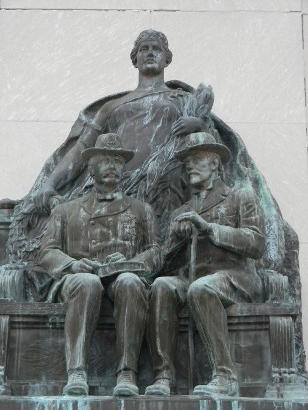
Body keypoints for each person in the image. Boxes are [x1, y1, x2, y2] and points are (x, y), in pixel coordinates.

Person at [37, 133, 161, 396]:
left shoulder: (141, 210)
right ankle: (77, 371)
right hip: (79, 278)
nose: (113, 167)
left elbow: (154, 251)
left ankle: (127, 372)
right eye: (106, 161)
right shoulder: (66, 211)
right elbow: (47, 252)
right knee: (87, 282)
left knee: (130, 282)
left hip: (123, 276)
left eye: (117, 161)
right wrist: (72, 264)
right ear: (91, 168)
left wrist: (132, 263)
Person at [145, 132, 265, 397]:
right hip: (192, 276)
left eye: (196, 159)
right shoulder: (183, 210)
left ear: (215, 163)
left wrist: (210, 228)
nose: (189, 166)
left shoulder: (240, 197)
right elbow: (164, 262)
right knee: (162, 285)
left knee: (201, 288)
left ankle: (225, 375)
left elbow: (256, 243)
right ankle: (163, 375)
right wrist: (174, 241)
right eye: (186, 161)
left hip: (234, 277)